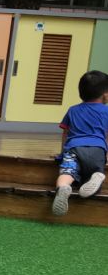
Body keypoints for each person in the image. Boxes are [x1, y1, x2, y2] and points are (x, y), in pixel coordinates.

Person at [51, 70, 108, 216]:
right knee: (94, 173)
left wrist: (63, 152)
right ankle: (97, 175)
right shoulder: (106, 111)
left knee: (67, 172)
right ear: (105, 95)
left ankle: (63, 187)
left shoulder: (73, 110)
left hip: (73, 148)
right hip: (97, 148)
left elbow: (65, 133)